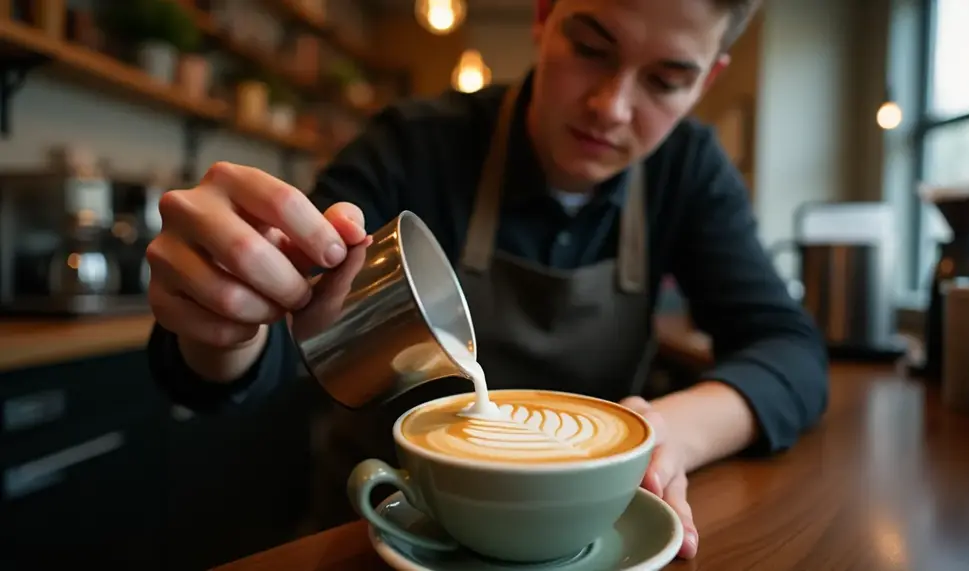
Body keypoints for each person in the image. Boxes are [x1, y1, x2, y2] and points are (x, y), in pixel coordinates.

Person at [145, 0, 828, 560]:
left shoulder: (687, 170)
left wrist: (663, 434)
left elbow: (792, 350)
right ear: (543, 15)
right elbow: (290, 349)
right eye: (591, 47)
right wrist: (227, 318)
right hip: (381, 537)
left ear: (707, 81)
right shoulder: (415, 144)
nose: (612, 107)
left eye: (667, 81)